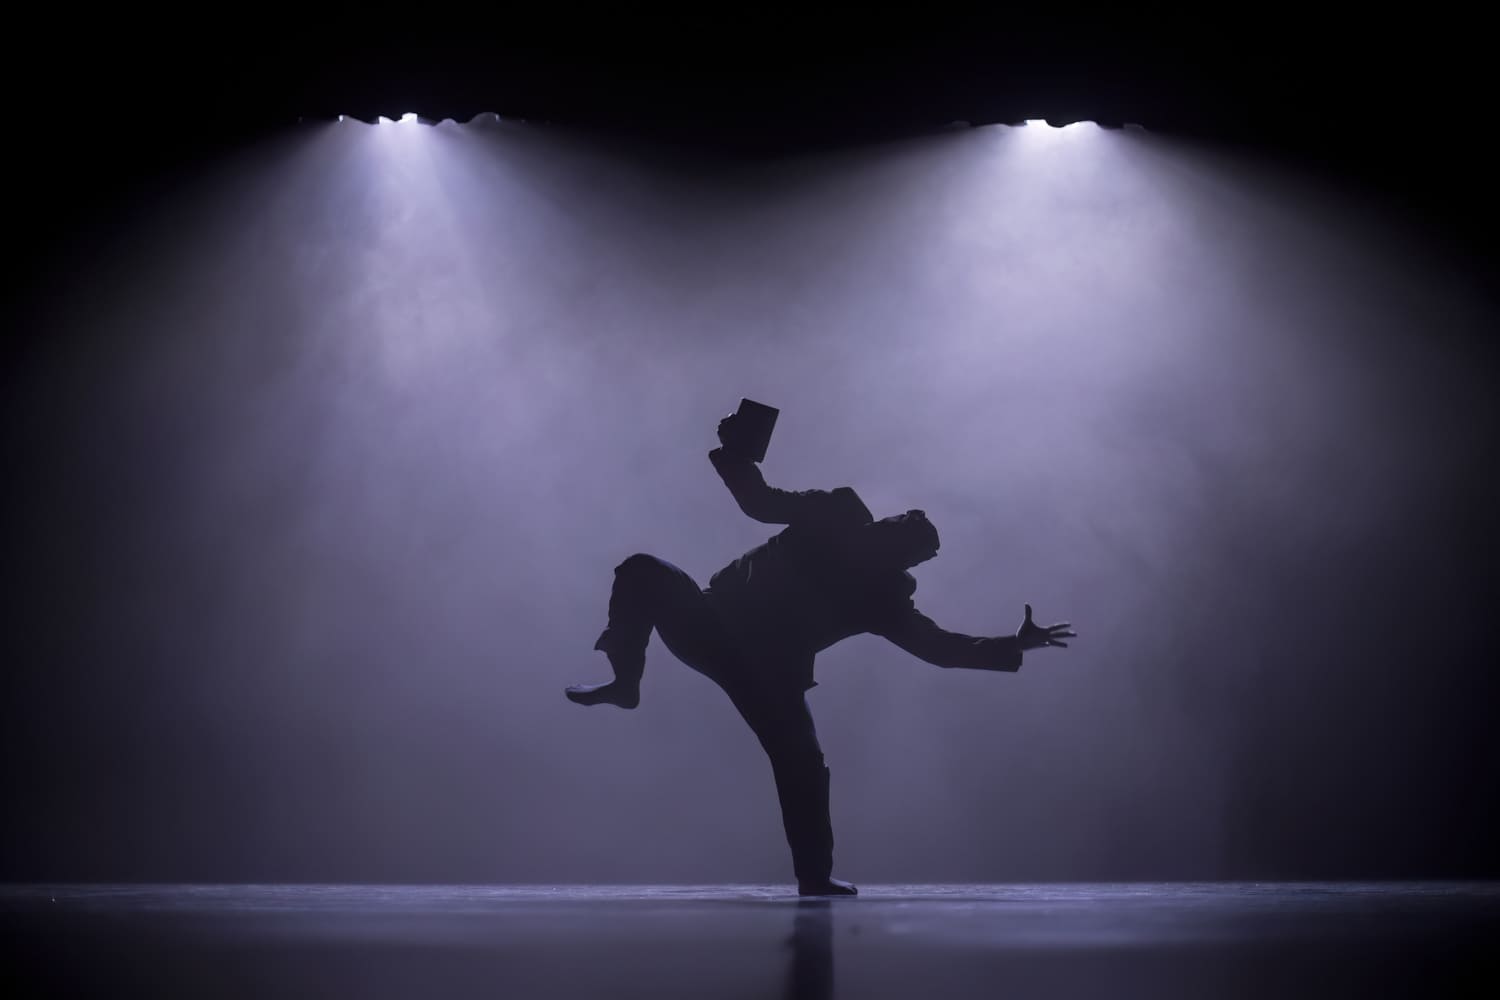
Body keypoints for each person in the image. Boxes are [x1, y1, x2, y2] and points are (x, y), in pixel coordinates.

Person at [566, 411, 1075, 896]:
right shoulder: (836, 511)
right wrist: (736, 453)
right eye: (900, 527)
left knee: (803, 763)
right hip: (709, 623)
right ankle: (626, 681)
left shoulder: (884, 596)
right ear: (886, 520)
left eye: (909, 551)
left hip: (767, 673)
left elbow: (937, 647)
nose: (894, 543)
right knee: (642, 570)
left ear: (905, 563)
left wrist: (1014, 644)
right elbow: (760, 502)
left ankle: (814, 875)